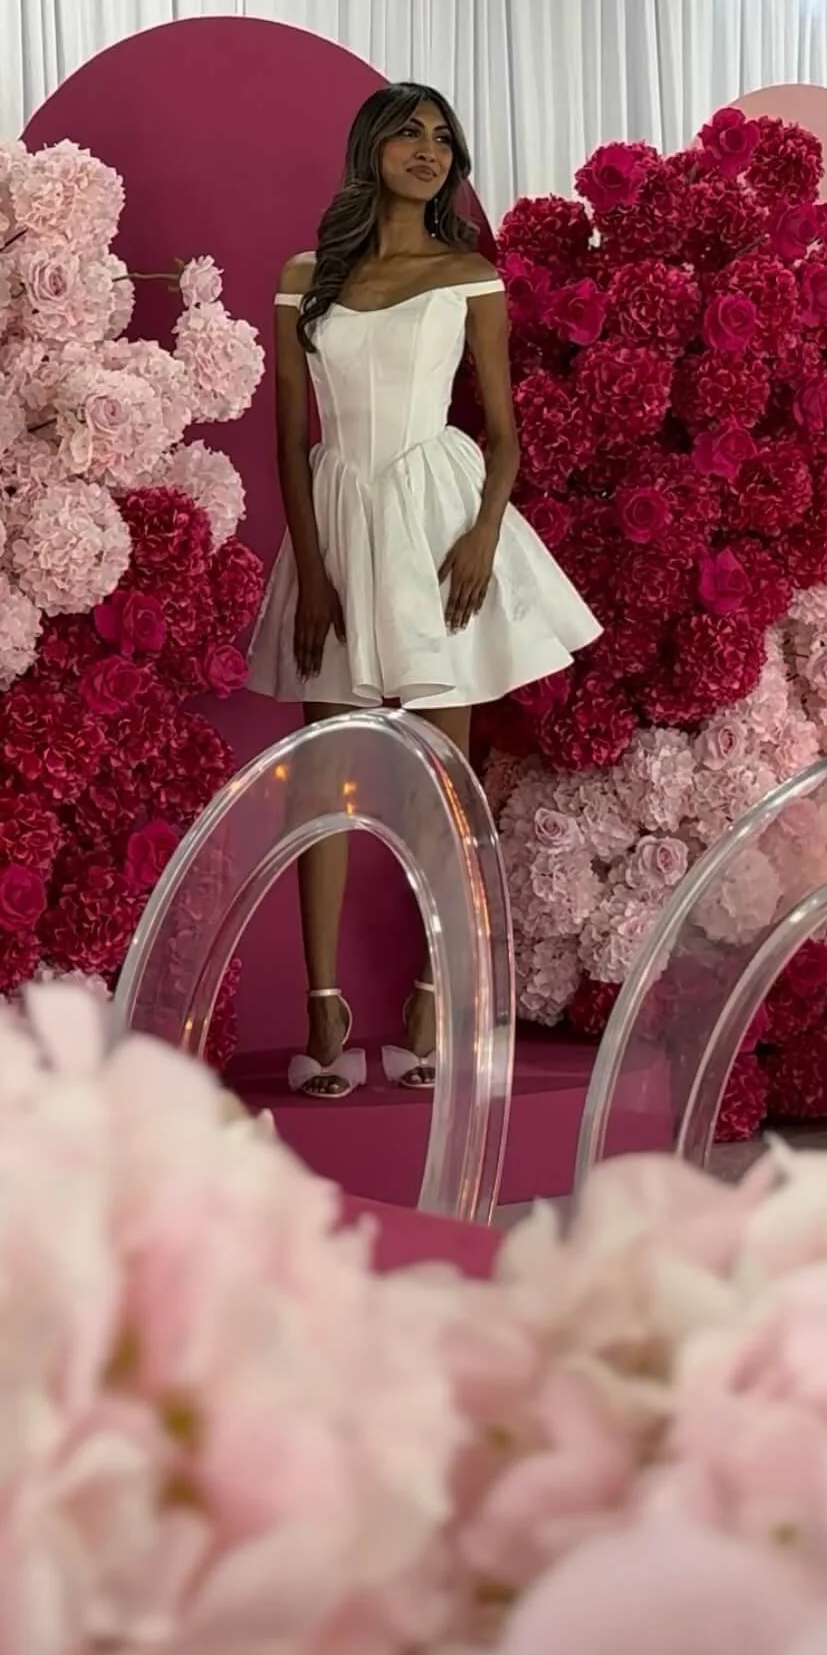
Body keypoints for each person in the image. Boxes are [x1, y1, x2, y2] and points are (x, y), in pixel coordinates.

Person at [245, 83, 601, 1097]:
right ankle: (325, 1012)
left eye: (445, 137)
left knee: (444, 785)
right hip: (340, 523)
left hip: (441, 524)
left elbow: (502, 430)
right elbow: (290, 435)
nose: (430, 150)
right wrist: (310, 572)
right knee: (324, 780)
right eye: (410, 132)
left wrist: (485, 535)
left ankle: (431, 996)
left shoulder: (469, 273)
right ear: (371, 149)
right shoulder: (305, 278)